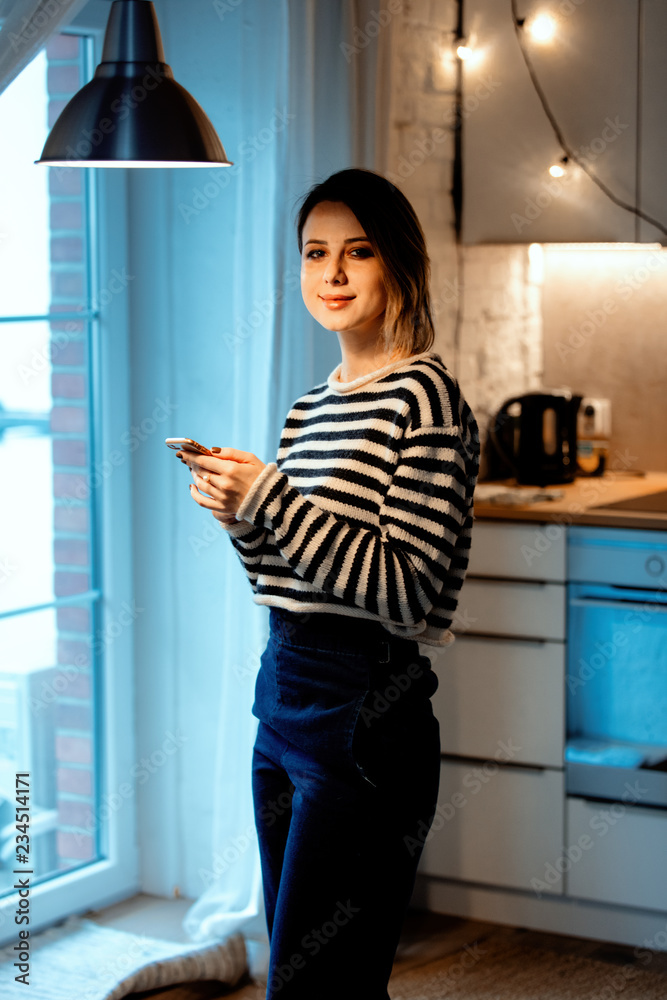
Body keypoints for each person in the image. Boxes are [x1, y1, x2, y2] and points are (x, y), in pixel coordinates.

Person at [174, 168, 480, 1000]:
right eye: (315, 253)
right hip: (282, 703)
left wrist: (272, 499)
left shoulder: (428, 400)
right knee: (306, 973)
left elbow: (402, 591)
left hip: (366, 722)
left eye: (357, 252)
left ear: (399, 266)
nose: (332, 274)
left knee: (315, 988)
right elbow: (291, 581)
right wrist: (242, 518)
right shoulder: (309, 408)